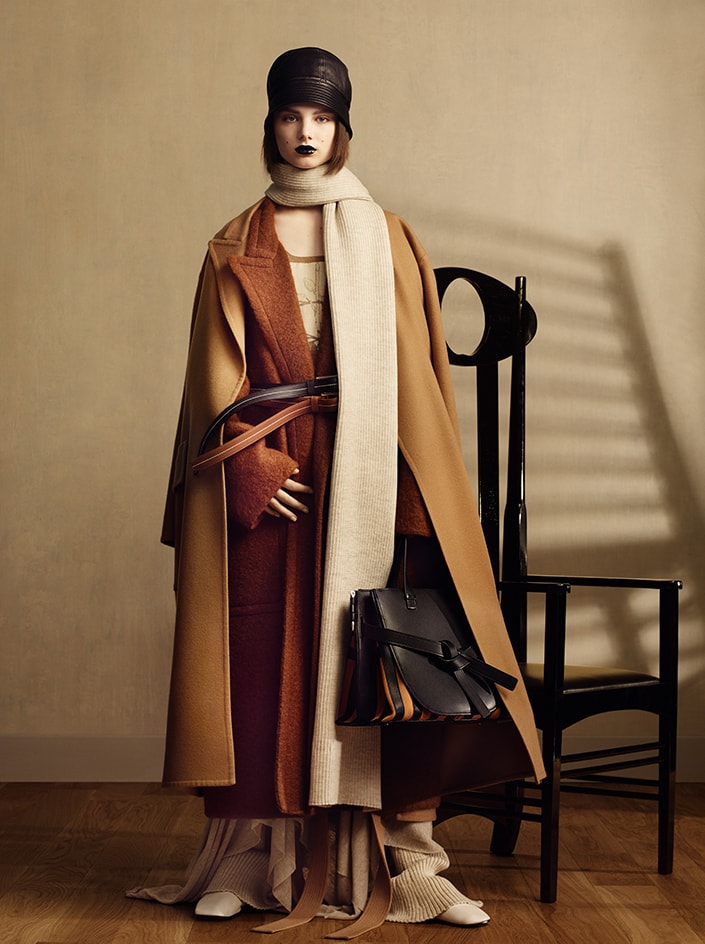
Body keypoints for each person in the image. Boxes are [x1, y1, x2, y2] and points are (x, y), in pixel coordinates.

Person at [129, 47, 544, 935]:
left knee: (387, 664)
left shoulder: (387, 235)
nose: (305, 132)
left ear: (342, 127)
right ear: (270, 126)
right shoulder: (233, 243)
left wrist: (413, 505)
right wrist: (247, 467)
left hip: (374, 473)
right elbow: (209, 385)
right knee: (256, 665)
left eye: (321, 117)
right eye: (290, 116)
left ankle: (410, 865)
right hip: (275, 478)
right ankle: (248, 857)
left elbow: (419, 380)